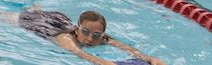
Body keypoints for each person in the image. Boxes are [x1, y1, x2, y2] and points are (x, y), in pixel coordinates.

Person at [17, 9, 167, 65]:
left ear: (101, 35)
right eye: (86, 32)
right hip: (41, 26)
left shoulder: (102, 39)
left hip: (58, 20)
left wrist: (149, 59)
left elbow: (127, 49)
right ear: (77, 30)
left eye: (96, 35)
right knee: (7, 17)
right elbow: (80, 53)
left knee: (37, 10)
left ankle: (35, 8)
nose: (90, 39)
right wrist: (103, 62)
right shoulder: (66, 38)